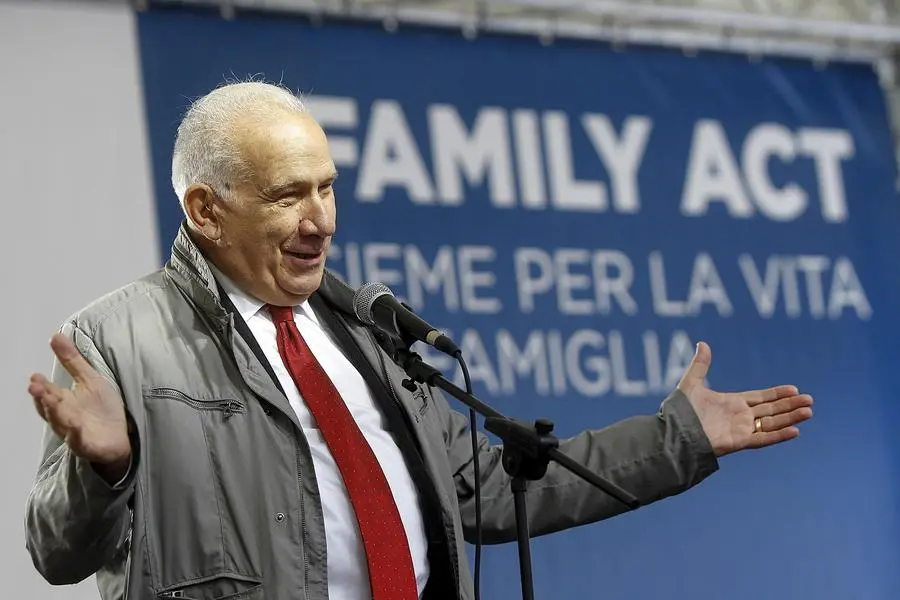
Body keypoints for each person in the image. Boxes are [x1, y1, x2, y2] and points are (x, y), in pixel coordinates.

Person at [24, 81, 813, 600]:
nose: (323, 220)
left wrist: (681, 438)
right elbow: (58, 553)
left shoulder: (363, 332)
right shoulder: (117, 339)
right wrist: (108, 468)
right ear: (205, 210)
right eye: (290, 195)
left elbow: (494, 491)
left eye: (328, 187)